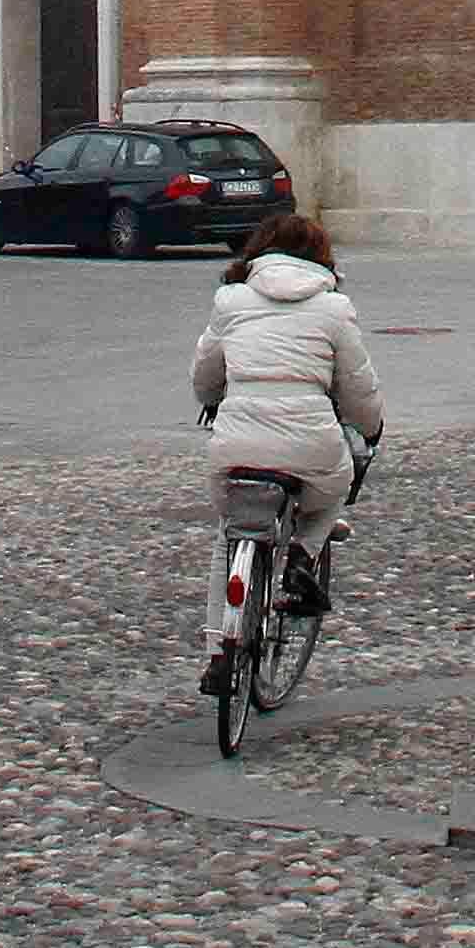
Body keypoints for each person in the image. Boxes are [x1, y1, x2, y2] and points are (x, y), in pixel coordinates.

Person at [192, 210, 385, 646]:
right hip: (310, 447)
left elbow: (205, 374)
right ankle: (301, 557)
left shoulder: (232, 301)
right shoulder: (334, 308)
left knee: (230, 535)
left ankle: (216, 651)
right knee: (336, 486)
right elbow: (359, 389)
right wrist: (371, 430)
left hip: (236, 448)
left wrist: (210, 401)